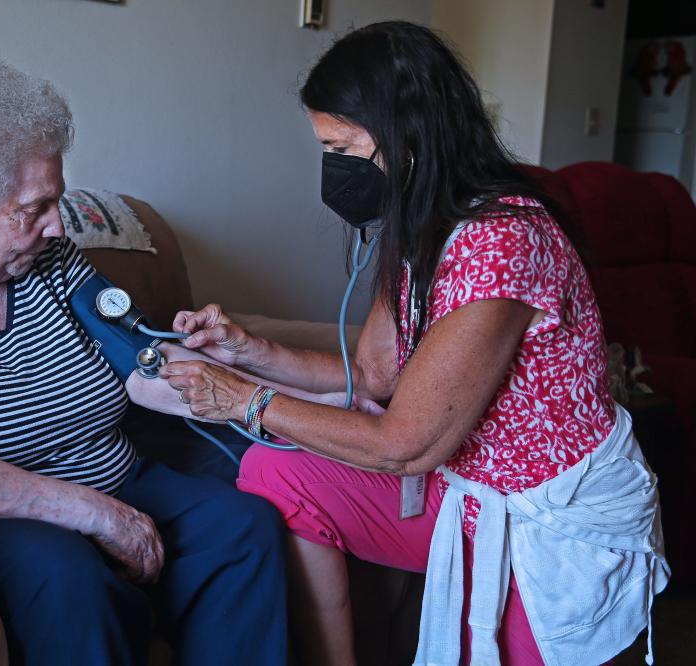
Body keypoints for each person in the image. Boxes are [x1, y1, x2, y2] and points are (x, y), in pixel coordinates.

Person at [159, 21, 670, 666]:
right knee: (275, 470)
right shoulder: (420, 225)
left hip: (537, 515)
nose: (335, 171)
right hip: (464, 486)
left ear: (410, 135)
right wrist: (246, 350)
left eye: (344, 147)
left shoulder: (503, 240)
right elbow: (375, 372)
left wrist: (242, 399)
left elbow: (405, 445)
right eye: (326, 149)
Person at [0, 60, 290, 666]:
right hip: (2, 512)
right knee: (66, 580)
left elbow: (146, 367)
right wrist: (94, 515)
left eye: (57, 201)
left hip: (112, 471)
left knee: (242, 527)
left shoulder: (48, 259)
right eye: (34, 207)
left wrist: (291, 403)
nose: (56, 224)